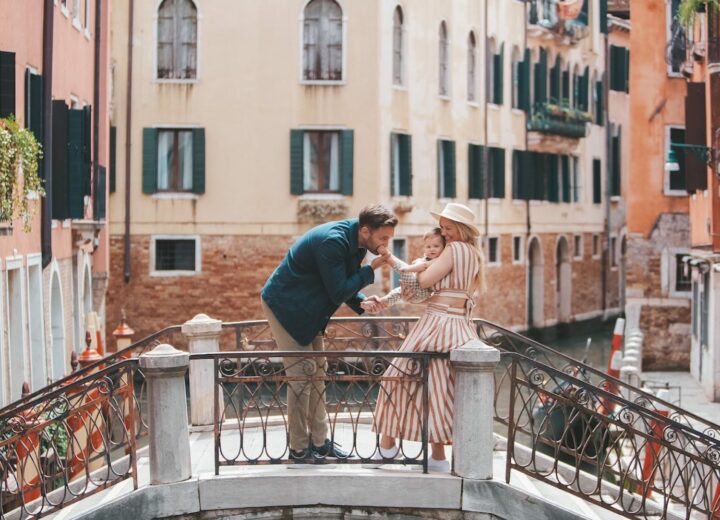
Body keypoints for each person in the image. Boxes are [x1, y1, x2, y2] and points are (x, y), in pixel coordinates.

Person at [260, 204, 398, 462]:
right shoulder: (333, 242)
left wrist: (361, 302)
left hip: (310, 308)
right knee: (301, 378)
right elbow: (337, 290)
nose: (386, 244)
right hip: (285, 306)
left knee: (318, 374)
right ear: (366, 230)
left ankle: (321, 443)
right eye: (383, 238)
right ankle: (299, 448)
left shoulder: (356, 242)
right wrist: (371, 270)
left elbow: (341, 283)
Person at [370, 202, 484, 472]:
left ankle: (387, 448)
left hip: (437, 324)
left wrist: (415, 266)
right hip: (459, 325)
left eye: (449, 228)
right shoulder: (474, 255)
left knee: (398, 379)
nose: (444, 234)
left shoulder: (455, 249)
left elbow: (424, 283)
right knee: (440, 388)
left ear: (461, 229)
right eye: (443, 229)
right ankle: (438, 457)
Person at [360, 227, 445, 310]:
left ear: (444, 247)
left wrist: (408, 269)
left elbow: (423, 266)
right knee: (396, 293)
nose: (432, 249)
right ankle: (377, 303)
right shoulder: (427, 258)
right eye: (428, 247)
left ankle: (387, 256)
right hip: (417, 293)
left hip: (422, 293)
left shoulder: (438, 260)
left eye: (436, 246)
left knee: (406, 271)